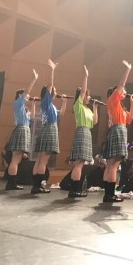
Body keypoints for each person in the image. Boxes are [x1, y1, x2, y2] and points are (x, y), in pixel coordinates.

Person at [104, 60, 133, 204]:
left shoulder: (120, 108)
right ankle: (110, 194)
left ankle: (108, 194)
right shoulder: (112, 100)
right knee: (113, 165)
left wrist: (132, 103)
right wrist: (127, 69)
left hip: (119, 130)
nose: (125, 92)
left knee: (111, 165)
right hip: (117, 131)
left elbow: (130, 118)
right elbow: (121, 84)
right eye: (123, 91)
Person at [32, 59, 65, 195]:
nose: (55, 92)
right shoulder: (46, 101)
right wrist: (52, 70)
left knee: (40, 160)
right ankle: (37, 186)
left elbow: (61, 114)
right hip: (49, 130)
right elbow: (51, 85)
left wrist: (64, 102)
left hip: (48, 129)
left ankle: (35, 185)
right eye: (53, 91)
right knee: (43, 161)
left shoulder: (51, 106)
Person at [5, 68, 38, 190]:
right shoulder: (18, 104)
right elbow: (27, 91)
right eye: (25, 96)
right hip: (21, 130)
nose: (28, 96)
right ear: (20, 96)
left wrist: (33, 104)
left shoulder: (23, 109)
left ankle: (11, 183)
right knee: (15, 158)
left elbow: (32, 117)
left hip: (24, 129)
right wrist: (34, 79)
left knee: (17, 159)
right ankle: (11, 183)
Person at [67, 65, 95, 198]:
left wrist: (95, 107)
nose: (89, 97)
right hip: (81, 132)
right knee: (78, 163)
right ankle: (75, 189)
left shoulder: (88, 109)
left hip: (87, 133)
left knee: (80, 163)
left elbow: (94, 121)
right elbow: (83, 90)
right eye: (88, 95)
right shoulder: (78, 105)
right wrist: (86, 76)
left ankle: (75, 189)